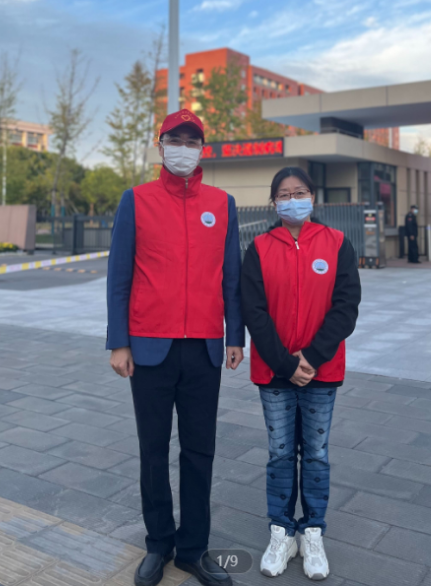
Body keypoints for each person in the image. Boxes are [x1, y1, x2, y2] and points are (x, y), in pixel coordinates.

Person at [107, 109, 245, 586]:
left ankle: (193, 549)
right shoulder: (137, 200)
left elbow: (232, 277)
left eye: (192, 141)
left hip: (204, 348)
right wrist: (118, 342)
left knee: (199, 450)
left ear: (202, 149)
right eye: (175, 139)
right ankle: (158, 543)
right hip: (149, 347)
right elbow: (119, 276)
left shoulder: (222, 204)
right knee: (152, 449)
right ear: (160, 144)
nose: (183, 148)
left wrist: (234, 335)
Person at [241, 167, 361, 581]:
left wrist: (310, 357)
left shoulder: (337, 243)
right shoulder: (258, 248)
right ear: (273, 202)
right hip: (275, 372)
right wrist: (287, 364)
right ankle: (281, 531)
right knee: (279, 453)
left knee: (316, 454)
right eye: (284, 194)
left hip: (321, 371)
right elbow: (254, 312)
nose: (293, 200)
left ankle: (312, 532)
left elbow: (346, 306)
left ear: (313, 197)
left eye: (300, 192)